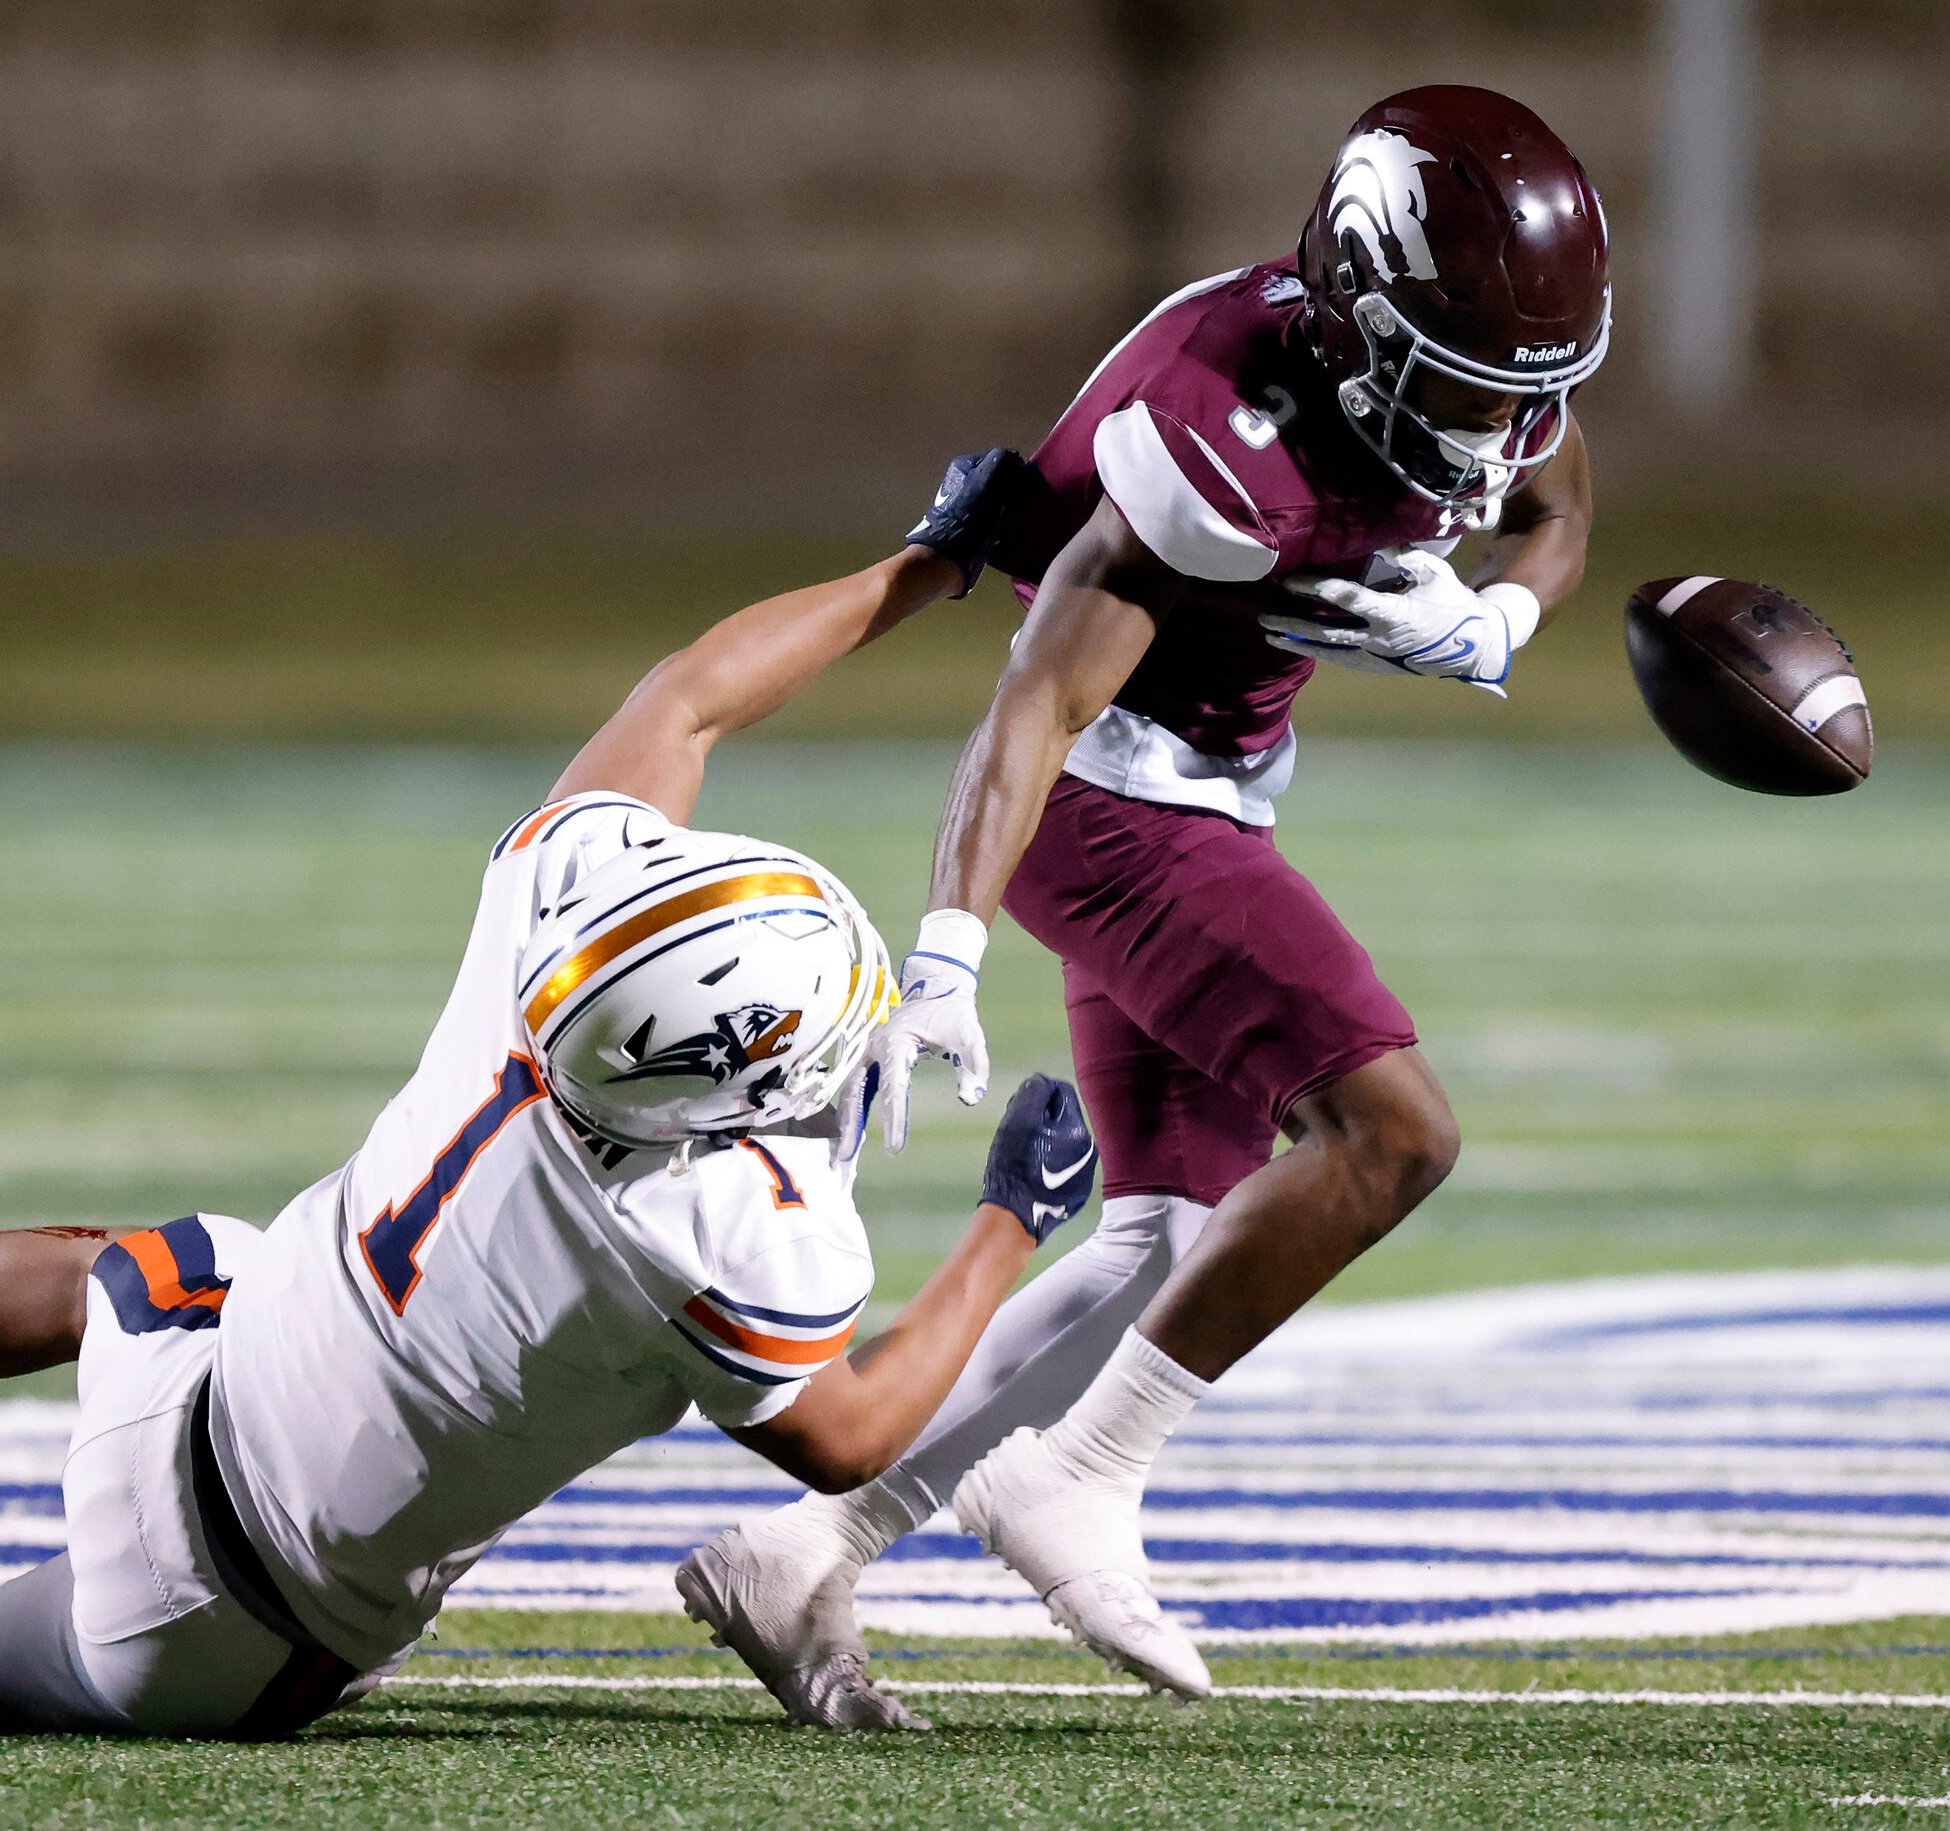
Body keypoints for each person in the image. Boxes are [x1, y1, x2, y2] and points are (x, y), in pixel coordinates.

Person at [0, 545, 1103, 1740]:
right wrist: (1012, 1222)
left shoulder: (552, 913)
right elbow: (851, 1427)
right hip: (247, 1646)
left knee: (163, 1265)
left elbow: (695, 691)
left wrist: (923, 560)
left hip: (192, 1371)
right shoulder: (725, 1233)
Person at [680, 84, 1612, 1719]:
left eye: (1508, 391)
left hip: (1215, 787)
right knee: (1393, 1135)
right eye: (1456, 386)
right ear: (1355, 321)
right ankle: (1085, 1472)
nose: (1485, 431)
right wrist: (946, 949)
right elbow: (1035, 703)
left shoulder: (1476, 369)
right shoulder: (1216, 432)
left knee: (1165, 1235)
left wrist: (1507, 619)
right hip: (1108, 801)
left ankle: (811, 1544)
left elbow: (1554, 500)